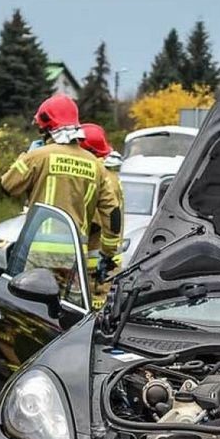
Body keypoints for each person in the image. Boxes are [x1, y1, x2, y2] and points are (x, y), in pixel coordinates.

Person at [0, 97, 120, 276]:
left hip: (37, 252)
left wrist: (27, 155)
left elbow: (7, 185)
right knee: (69, 304)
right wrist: (108, 253)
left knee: (31, 301)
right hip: (75, 255)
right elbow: (112, 212)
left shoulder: (38, 157)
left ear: (47, 129)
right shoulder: (96, 165)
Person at [80, 122, 124, 306]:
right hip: (106, 262)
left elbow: (96, 224)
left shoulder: (99, 177)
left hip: (97, 266)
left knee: (92, 316)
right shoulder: (110, 176)